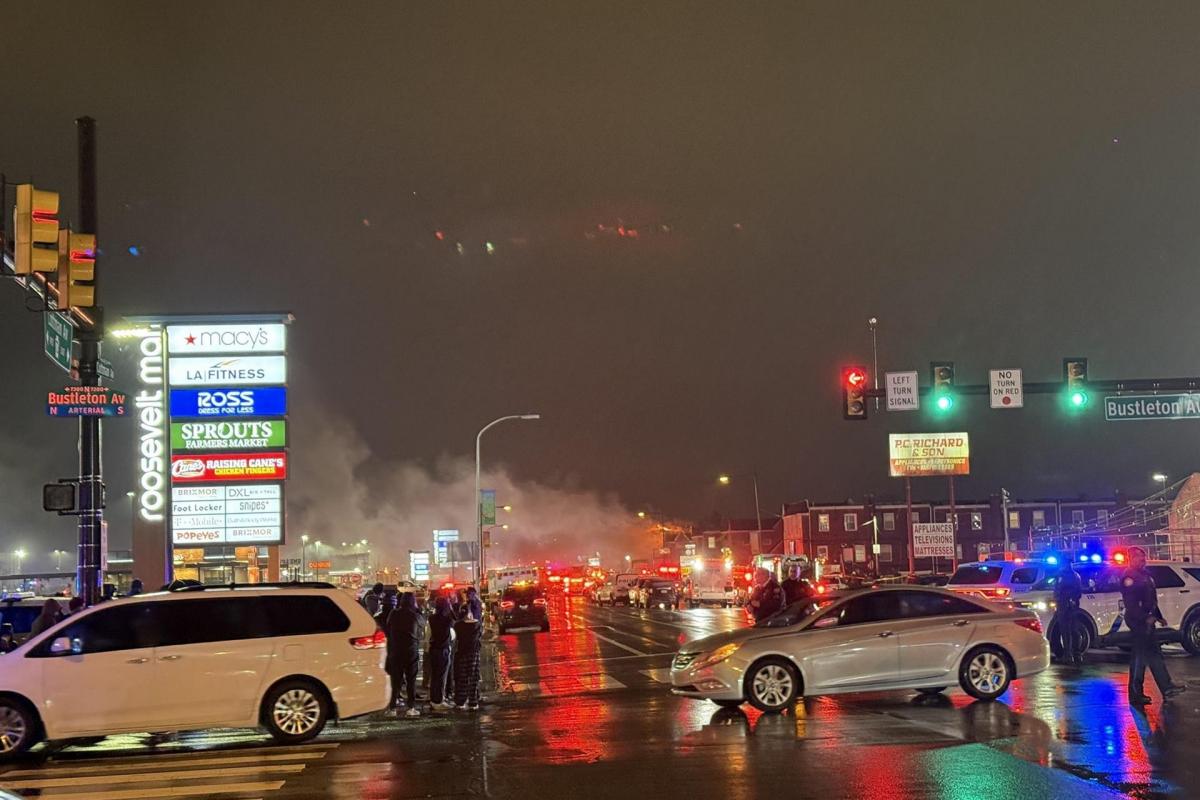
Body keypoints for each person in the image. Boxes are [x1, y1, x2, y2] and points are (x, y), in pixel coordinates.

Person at [1121, 547, 1187, 704]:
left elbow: (1151, 599)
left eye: (1144, 558)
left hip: (1148, 621)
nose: (1143, 561)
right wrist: (1145, 618)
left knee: (1155, 655)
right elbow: (1131, 604)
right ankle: (1136, 694)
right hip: (1138, 622)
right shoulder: (1129, 577)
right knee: (1139, 658)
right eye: (1139, 558)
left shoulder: (1145, 575)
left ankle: (1167, 687)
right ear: (1131, 558)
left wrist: (1159, 617)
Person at [385, 592, 424, 717]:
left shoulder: (394, 614)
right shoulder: (415, 616)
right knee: (411, 680)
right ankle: (411, 707)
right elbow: (422, 626)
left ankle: (392, 708)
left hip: (396, 650)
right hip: (411, 650)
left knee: (395, 680)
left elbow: (388, 627)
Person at [452, 586, 484, 710]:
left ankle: (461, 701)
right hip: (473, 651)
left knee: (463, 677)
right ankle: (473, 701)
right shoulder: (476, 625)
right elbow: (479, 630)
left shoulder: (458, 625)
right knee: (473, 676)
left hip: (462, 652)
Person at [1051, 560, 1084, 665]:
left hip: (1065, 607)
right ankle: (1076, 655)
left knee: (1066, 632)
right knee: (1074, 631)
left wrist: (1058, 600)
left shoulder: (1062, 576)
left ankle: (1068, 656)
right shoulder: (1076, 575)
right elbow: (1079, 592)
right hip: (1072, 607)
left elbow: (1057, 591)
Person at [427, 596, 455, 709]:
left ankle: (434, 699)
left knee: (434, 676)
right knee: (442, 676)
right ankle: (439, 700)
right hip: (443, 650)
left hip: (433, 649)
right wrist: (451, 606)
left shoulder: (431, 618)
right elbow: (456, 619)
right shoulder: (448, 620)